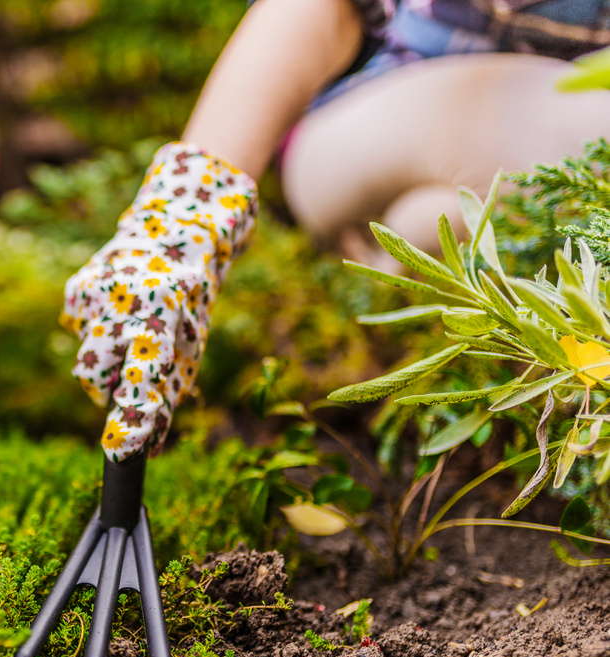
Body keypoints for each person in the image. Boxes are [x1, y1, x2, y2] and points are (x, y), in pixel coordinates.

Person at [62, 0, 610, 462]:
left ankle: (417, 246)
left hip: (518, 167)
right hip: (376, 127)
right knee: (587, 118)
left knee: (439, 219)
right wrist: (181, 218)